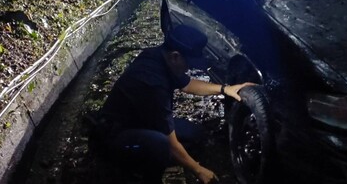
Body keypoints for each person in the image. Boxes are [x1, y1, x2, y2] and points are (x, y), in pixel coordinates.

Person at [95, 24, 255, 184]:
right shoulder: (153, 85)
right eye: (189, 64)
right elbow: (171, 143)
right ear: (175, 56)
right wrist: (199, 171)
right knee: (161, 144)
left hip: (139, 120)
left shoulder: (158, 56)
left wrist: (225, 89)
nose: (189, 69)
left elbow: (187, 84)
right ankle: (141, 174)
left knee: (194, 134)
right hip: (114, 135)